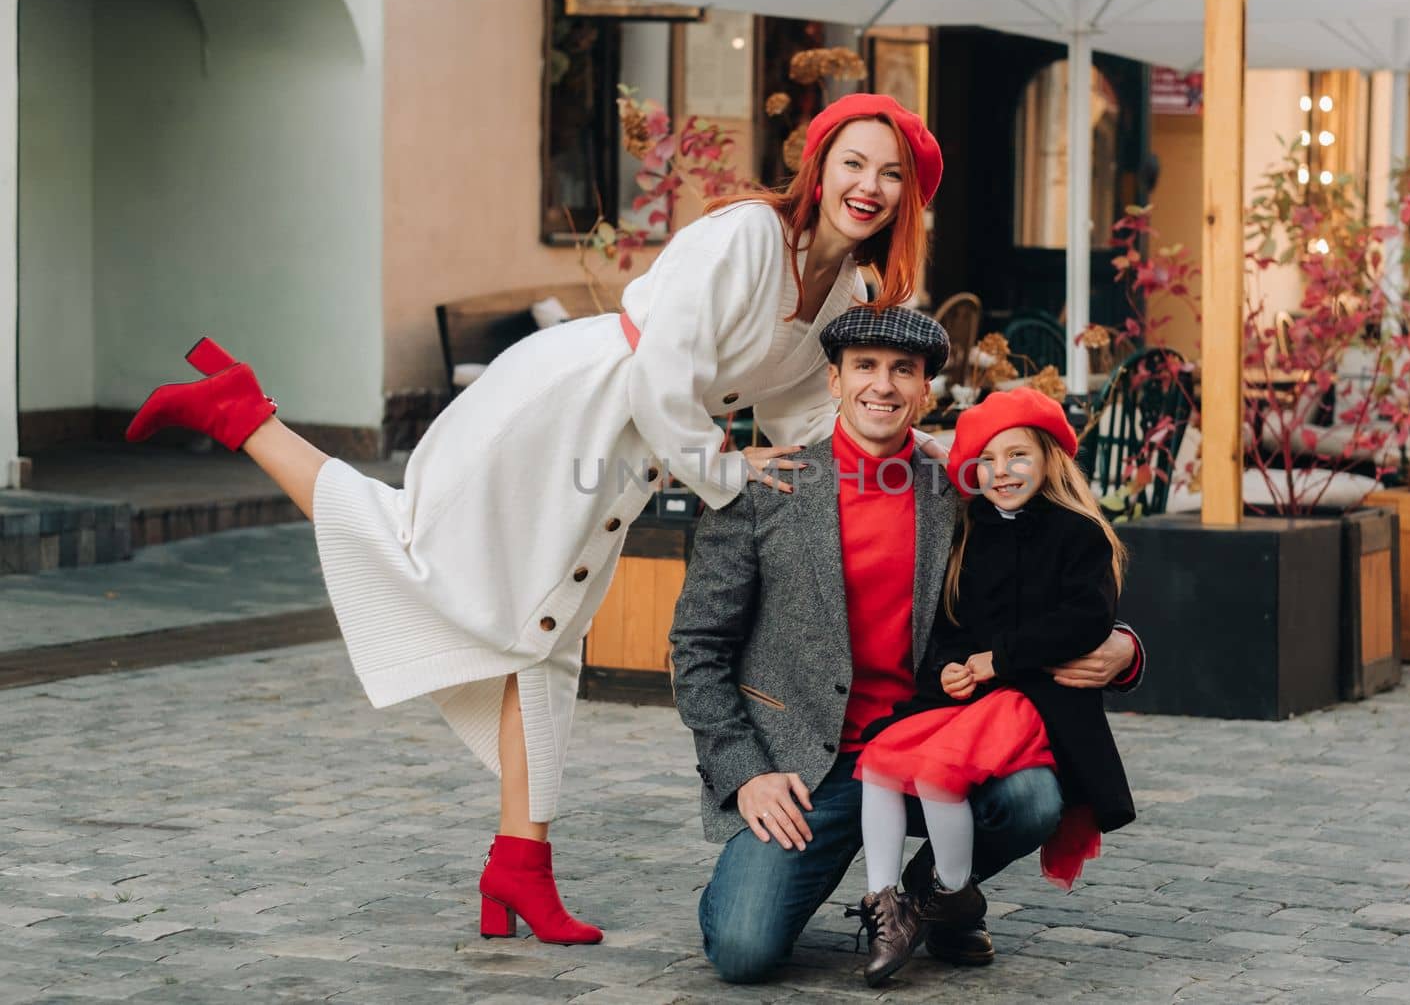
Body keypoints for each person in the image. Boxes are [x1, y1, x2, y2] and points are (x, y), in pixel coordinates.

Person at [119, 93, 944, 945]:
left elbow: (812, 416)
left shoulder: (845, 288)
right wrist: (728, 471)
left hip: (628, 452)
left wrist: (924, 464)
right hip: (570, 406)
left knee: (547, 640)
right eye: (854, 162)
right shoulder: (747, 237)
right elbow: (662, 374)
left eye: (891, 173)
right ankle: (243, 415)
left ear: (908, 199)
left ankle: (521, 862)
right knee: (425, 556)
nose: (869, 185)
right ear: (819, 164)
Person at [670, 306, 1145, 985]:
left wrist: (1125, 646)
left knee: (1035, 796)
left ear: (924, 390)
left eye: (904, 371)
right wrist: (744, 769)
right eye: (864, 366)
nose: (883, 386)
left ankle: (931, 898)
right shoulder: (766, 488)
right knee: (744, 949)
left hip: (936, 738)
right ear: (833, 379)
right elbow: (696, 645)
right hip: (808, 765)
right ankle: (773, 881)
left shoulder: (960, 488)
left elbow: (1060, 567)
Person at [851, 387, 1136, 986]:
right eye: (987, 460)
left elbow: (1084, 621)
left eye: (1018, 457)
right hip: (968, 694)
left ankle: (949, 892)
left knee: (938, 772)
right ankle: (886, 905)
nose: (1001, 472)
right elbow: (952, 623)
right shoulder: (969, 531)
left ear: (1051, 460)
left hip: (1030, 699)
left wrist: (995, 661)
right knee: (879, 762)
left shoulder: (1078, 532)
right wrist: (953, 667)